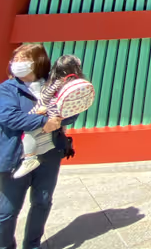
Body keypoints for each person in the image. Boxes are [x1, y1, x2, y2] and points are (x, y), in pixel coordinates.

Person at [0, 44, 74, 249]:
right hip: (17, 157)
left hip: (49, 155)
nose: (16, 63)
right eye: (15, 59)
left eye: (23, 59)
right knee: (7, 211)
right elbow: (9, 117)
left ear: (38, 62)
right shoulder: (7, 89)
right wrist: (44, 122)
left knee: (42, 202)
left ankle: (32, 245)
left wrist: (64, 114)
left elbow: (70, 112)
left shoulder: (53, 87)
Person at [14, 54, 94, 179]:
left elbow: (46, 97)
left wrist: (39, 108)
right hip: (63, 113)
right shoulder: (77, 82)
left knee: (28, 132)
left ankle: (29, 157)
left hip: (49, 111)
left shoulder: (57, 82)